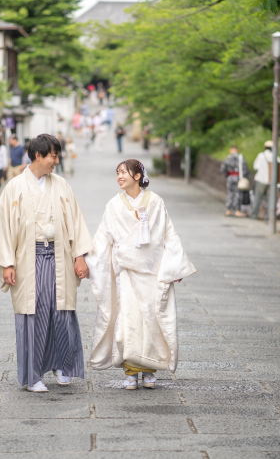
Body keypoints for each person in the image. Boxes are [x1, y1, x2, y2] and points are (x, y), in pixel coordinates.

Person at [0, 134, 94, 393]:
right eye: (53, 156)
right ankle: (33, 375)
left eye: (57, 156)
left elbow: (76, 222)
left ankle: (62, 366)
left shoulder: (62, 185)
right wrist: (7, 264)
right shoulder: (14, 187)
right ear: (38, 156)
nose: (56, 161)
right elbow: (4, 227)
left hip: (59, 255)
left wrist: (80, 256)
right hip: (28, 257)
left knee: (61, 310)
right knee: (33, 314)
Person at [86, 159, 196, 390]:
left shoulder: (155, 202)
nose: (119, 177)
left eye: (124, 172)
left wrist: (175, 265)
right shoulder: (113, 205)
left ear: (137, 176)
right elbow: (103, 237)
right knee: (128, 320)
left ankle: (149, 369)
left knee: (152, 319)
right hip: (125, 272)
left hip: (151, 270)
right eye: (117, 173)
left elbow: (168, 234)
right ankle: (131, 372)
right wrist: (87, 261)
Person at [249, 141, 280, 221]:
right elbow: (279, 167)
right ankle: (268, 217)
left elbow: (256, 166)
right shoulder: (276, 156)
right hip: (272, 181)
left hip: (261, 180)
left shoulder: (261, 155)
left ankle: (254, 215)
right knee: (270, 200)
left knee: (257, 198)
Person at [220, 146, 250, 217]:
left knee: (230, 193)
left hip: (230, 177)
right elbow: (245, 169)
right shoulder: (241, 158)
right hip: (238, 177)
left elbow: (223, 169)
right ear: (237, 150)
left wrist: (227, 176)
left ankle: (228, 210)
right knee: (238, 194)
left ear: (230, 150)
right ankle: (237, 211)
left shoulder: (228, 158)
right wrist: (245, 177)